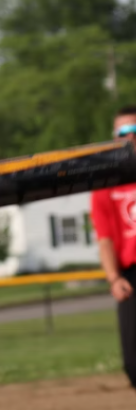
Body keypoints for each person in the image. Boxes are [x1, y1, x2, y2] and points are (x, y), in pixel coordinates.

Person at [90, 105, 136, 391]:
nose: (130, 137)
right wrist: (113, 278)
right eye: (123, 132)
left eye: (135, 131)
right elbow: (104, 238)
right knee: (133, 361)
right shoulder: (105, 183)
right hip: (130, 275)